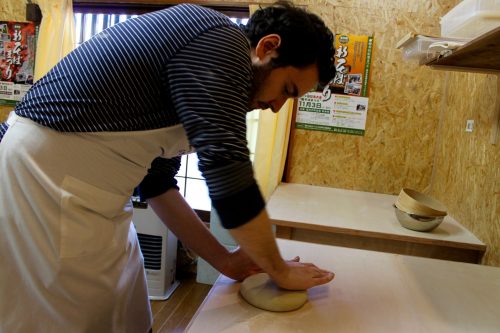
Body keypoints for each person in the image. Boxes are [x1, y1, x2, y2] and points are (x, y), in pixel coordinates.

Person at [0, 2, 335, 332]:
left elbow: (157, 184)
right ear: (267, 47)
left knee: (125, 300)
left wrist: (226, 260)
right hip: (44, 182)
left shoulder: (193, 78)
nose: (276, 108)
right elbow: (227, 171)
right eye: (286, 91)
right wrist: (279, 270)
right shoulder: (222, 41)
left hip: (91, 198)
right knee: (67, 313)